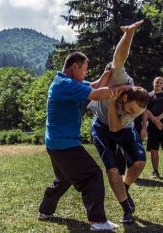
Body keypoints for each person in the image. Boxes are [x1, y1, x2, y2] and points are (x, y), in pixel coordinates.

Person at [38, 52, 129, 231]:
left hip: (55, 143)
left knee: (64, 178)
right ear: (75, 67)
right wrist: (127, 89)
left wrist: (107, 72)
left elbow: (94, 86)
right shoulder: (64, 84)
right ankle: (97, 221)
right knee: (93, 175)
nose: (86, 73)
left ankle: (45, 211)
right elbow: (96, 94)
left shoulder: (69, 83)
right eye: (85, 69)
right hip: (65, 144)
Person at [88, 20, 149, 224]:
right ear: (126, 97)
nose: (133, 113)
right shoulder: (121, 80)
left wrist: (114, 105)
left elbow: (117, 127)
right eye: (131, 109)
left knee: (139, 162)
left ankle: (125, 188)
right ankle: (126, 209)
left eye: (137, 112)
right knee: (112, 169)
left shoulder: (134, 110)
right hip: (101, 127)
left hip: (121, 128)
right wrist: (129, 34)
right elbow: (119, 58)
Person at [141, 77, 163, 179]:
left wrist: (159, 119)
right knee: (153, 149)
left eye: (161, 83)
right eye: (157, 82)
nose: (158, 84)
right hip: (152, 127)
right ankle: (155, 171)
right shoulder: (148, 96)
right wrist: (155, 122)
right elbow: (145, 110)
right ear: (153, 83)